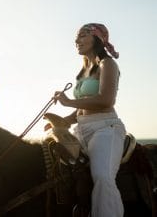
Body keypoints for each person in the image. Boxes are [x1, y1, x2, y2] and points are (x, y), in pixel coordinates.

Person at [44, 23, 126, 217]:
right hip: (81, 130)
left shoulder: (108, 64)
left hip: (105, 128)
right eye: (76, 37)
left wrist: (68, 101)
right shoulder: (83, 72)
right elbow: (82, 108)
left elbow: (106, 99)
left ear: (96, 38)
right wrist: (63, 121)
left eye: (82, 35)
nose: (76, 40)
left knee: (103, 177)